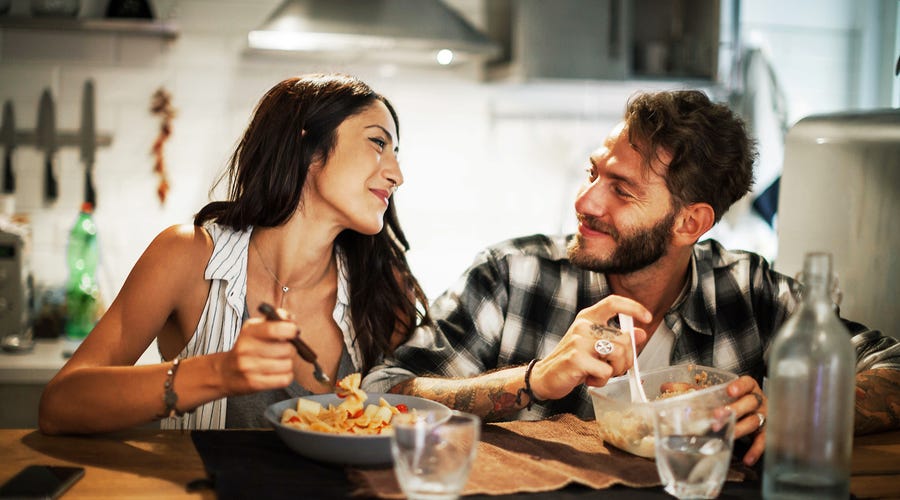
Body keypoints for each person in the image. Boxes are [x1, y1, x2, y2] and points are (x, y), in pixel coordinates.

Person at [362, 90, 900, 467]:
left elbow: (894, 366)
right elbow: (382, 393)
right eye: (594, 172)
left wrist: (796, 410)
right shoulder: (513, 276)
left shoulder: (748, 290)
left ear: (691, 222)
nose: (585, 200)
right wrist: (530, 380)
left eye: (622, 190)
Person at [39, 73, 429, 434]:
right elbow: (60, 405)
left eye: (396, 151)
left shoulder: (383, 289)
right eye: (378, 143)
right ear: (306, 145)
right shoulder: (187, 257)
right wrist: (219, 373)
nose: (398, 174)